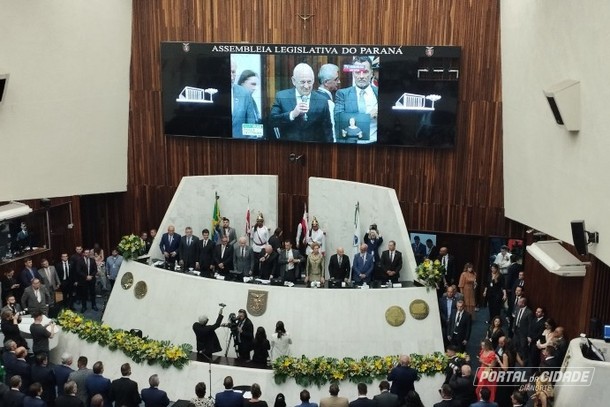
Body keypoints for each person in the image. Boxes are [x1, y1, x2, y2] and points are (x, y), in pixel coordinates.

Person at [269, 62, 333, 143]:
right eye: (302, 82)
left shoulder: (322, 101)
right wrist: (292, 114)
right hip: (288, 149)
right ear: (294, 81)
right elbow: (272, 121)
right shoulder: (282, 97)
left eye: (309, 82)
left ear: (313, 80)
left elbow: (327, 132)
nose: (306, 86)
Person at [335, 56, 378, 143]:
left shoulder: (379, 93)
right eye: (357, 72)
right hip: (351, 146)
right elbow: (339, 120)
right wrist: (368, 116)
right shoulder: (342, 94)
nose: (361, 76)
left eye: (365, 72)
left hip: (376, 145)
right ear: (353, 73)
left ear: (371, 73)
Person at [230, 59, 259, 138]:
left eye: (233, 72)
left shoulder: (244, 94)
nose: (231, 76)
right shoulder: (210, 92)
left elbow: (251, 125)